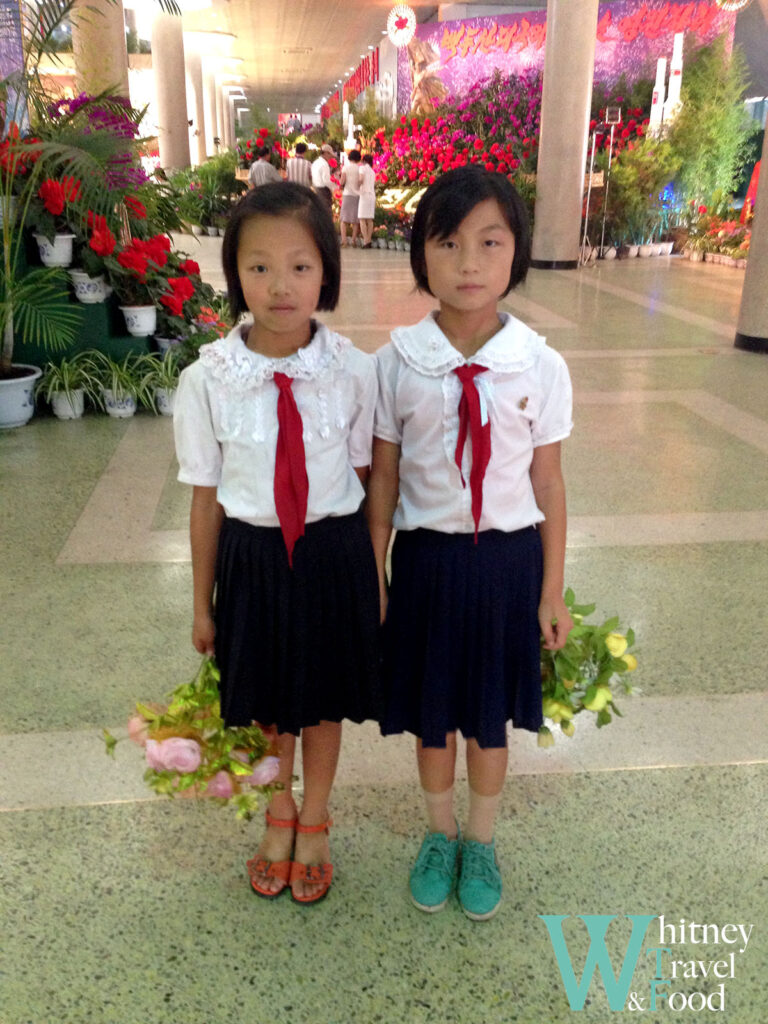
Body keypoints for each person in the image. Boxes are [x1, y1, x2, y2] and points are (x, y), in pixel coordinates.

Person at [366, 167, 573, 922]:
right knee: (432, 714)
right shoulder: (395, 364)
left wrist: (551, 589)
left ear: (515, 253)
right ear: (421, 255)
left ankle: (481, 842)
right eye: (448, 243)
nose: (469, 263)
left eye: (490, 243)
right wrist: (376, 571)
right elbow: (383, 479)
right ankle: (438, 834)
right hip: (425, 562)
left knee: (488, 715)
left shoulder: (541, 366)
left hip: (507, 565)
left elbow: (548, 486)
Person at [173, 182, 382, 905]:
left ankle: (316, 815)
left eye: (300, 266)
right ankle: (278, 811)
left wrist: (374, 574)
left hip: (331, 557)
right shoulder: (206, 379)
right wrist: (202, 603)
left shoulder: (356, 371)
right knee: (267, 703)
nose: (280, 285)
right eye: (258, 267)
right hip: (254, 560)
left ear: (327, 270)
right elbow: (205, 496)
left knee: (321, 702)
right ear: (234, 275)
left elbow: (364, 473)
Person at [339, 149, 361, 248]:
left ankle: (344, 241)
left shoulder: (346, 168)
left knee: (344, 219)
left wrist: (339, 182)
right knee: (355, 220)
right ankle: (353, 240)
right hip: (357, 195)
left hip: (347, 194)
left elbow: (342, 181)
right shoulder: (360, 168)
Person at [357, 154, 376, 249]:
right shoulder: (372, 171)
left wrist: (356, 184)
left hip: (364, 194)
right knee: (369, 219)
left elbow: (361, 179)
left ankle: (366, 241)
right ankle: (369, 240)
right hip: (372, 195)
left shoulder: (362, 168)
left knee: (362, 219)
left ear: (364, 161)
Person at [311, 143, 334, 210]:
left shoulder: (315, 162)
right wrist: (333, 188)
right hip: (323, 191)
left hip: (315, 189)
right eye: (330, 155)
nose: (330, 157)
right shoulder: (324, 164)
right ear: (326, 153)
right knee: (326, 211)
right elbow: (326, 180)